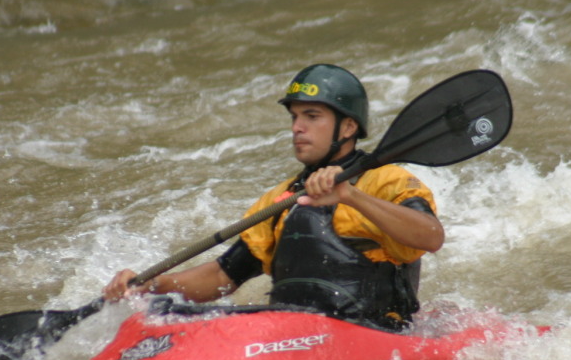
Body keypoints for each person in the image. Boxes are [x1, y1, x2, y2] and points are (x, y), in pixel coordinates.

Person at [103, 64, 444, 331]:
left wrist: (351, 196)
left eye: (312, 116)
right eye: (295, 117)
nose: (297, 127)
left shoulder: (387, 180)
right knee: (171, 314)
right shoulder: (280, 199)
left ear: (348, 128)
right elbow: (224, 277)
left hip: (375, 332)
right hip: (292, 333)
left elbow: (431, 236)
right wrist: (152, 285)